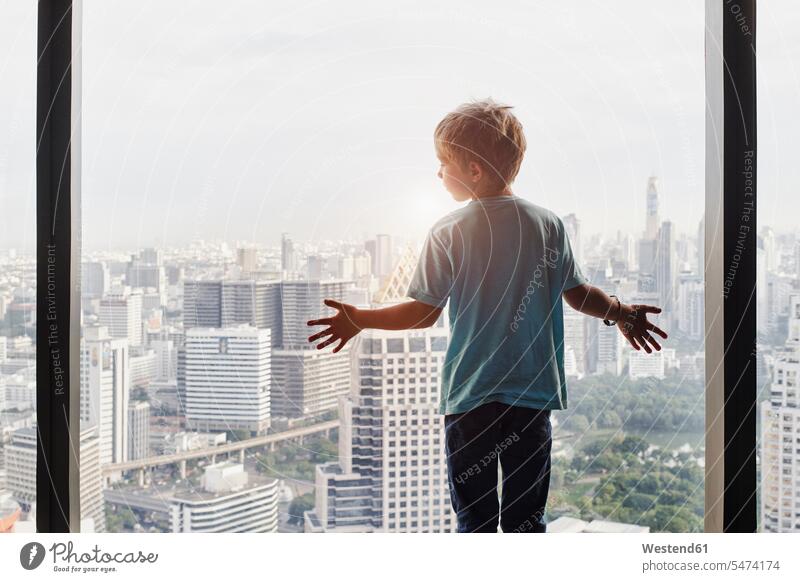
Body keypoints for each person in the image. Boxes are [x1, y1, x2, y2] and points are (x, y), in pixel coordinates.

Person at [307, 98, 667, 533]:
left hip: (471, 397)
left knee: (474, 522)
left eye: (444, 163)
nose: (438, 173)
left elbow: (423, 313)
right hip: (531, 398)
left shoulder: (447, 231)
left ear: (474, 170)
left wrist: (362, 318)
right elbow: (578, 294)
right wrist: (623, 313)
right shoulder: (546, 224)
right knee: (525, 523)